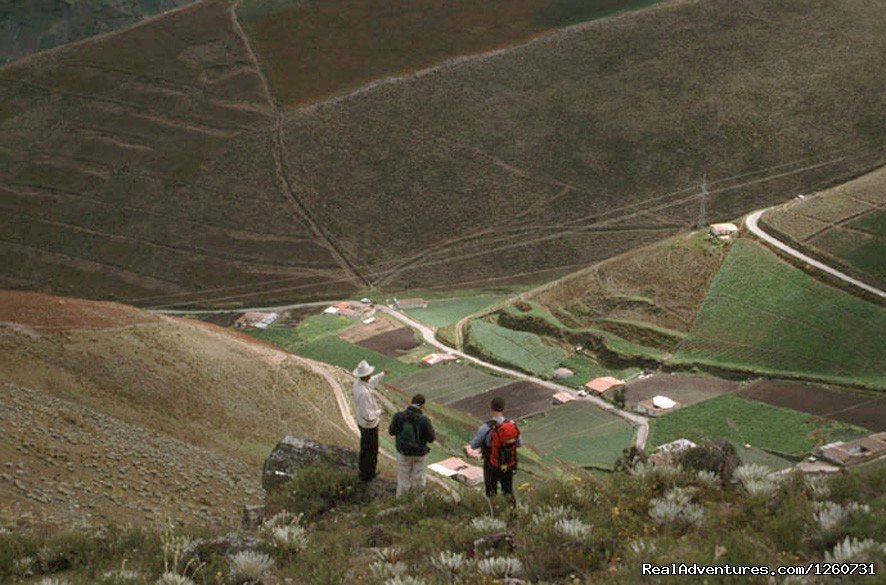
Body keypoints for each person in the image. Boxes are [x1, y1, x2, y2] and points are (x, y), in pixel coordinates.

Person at [465, 397, 521, 500]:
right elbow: (519, 444)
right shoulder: (512, 425)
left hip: (491, 464)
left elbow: (474, 445)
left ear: (491, 409)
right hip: (508, 464)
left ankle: (494, 513)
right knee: (508, 491)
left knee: (491, 492)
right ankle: (513, 514)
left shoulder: (486, 427)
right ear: (503, 409)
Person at [388, 393, 436, 497]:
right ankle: (417, 507)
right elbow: (431, 438)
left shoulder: (399, 416)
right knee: (419, 481)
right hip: (419, 455)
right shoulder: (425, 420)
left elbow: (391, 431)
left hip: (403, 453)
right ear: (422, 405)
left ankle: (401, 503)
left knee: (403, 480)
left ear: (411, 402)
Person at [351, 360, 387, 482]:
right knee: (371, 449)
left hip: (362, 423)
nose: (371, 375)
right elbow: (367, 414)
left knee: (365, 448)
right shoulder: (364, 394)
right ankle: (368, 474)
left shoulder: (358, 384)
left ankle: (363, 471)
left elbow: (371, 383)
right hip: (369, 425)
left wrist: (382, 374)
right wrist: (379, 412)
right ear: (366, 376)